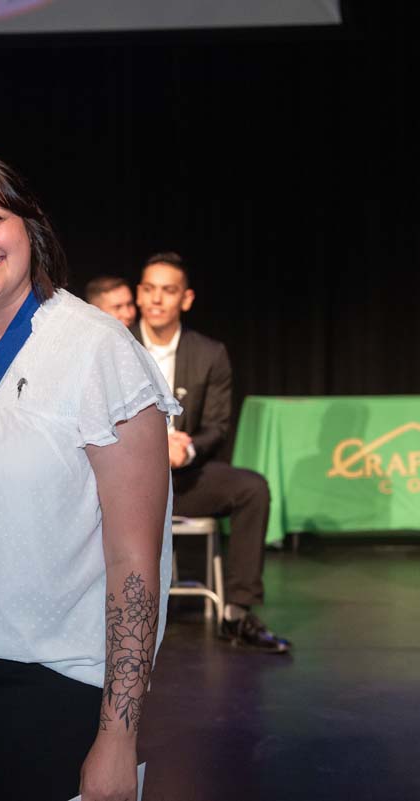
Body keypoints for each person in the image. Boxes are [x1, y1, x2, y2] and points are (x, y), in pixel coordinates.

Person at [0, 151, 176, 801]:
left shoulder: (101, 351)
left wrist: (119, 734)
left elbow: (136, 560)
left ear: (31, 227)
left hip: (51, 680)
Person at [130, 252, 290, 653]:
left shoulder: (209, 353)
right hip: (125, 479)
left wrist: (187, 450)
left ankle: (237, 612)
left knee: (251, 488)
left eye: (168, 291)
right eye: (149, 289)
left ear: (186, 299)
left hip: (181, 476)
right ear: (138, 294)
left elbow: (216, 426)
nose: (157, 299)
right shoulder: (117, 343)